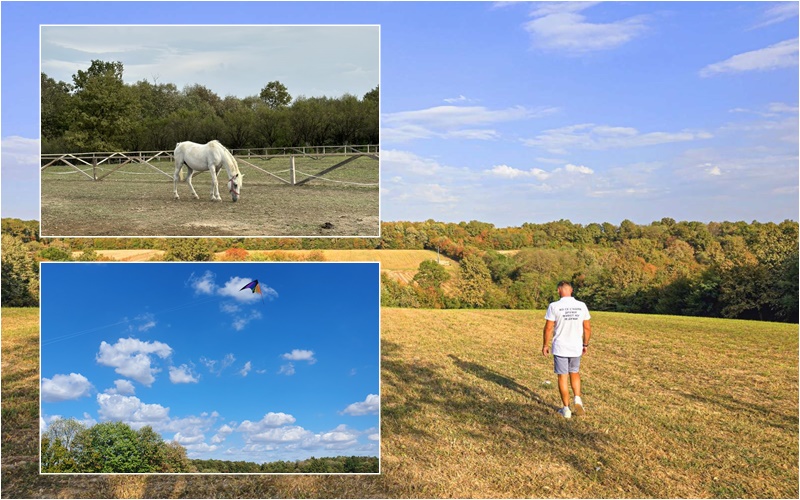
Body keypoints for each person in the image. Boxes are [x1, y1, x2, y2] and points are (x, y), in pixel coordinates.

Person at [541, 281, 592, 419]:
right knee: (574, 372)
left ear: (559, 290)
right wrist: (585, 344)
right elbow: (587, 328)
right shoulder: (581, 306)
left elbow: (548, 328)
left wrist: (545, 345)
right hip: (576, 346)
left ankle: (566, 409)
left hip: (560, 347)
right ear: (572, 290)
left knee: (562, 376)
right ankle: (577, 399)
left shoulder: (554, 306)